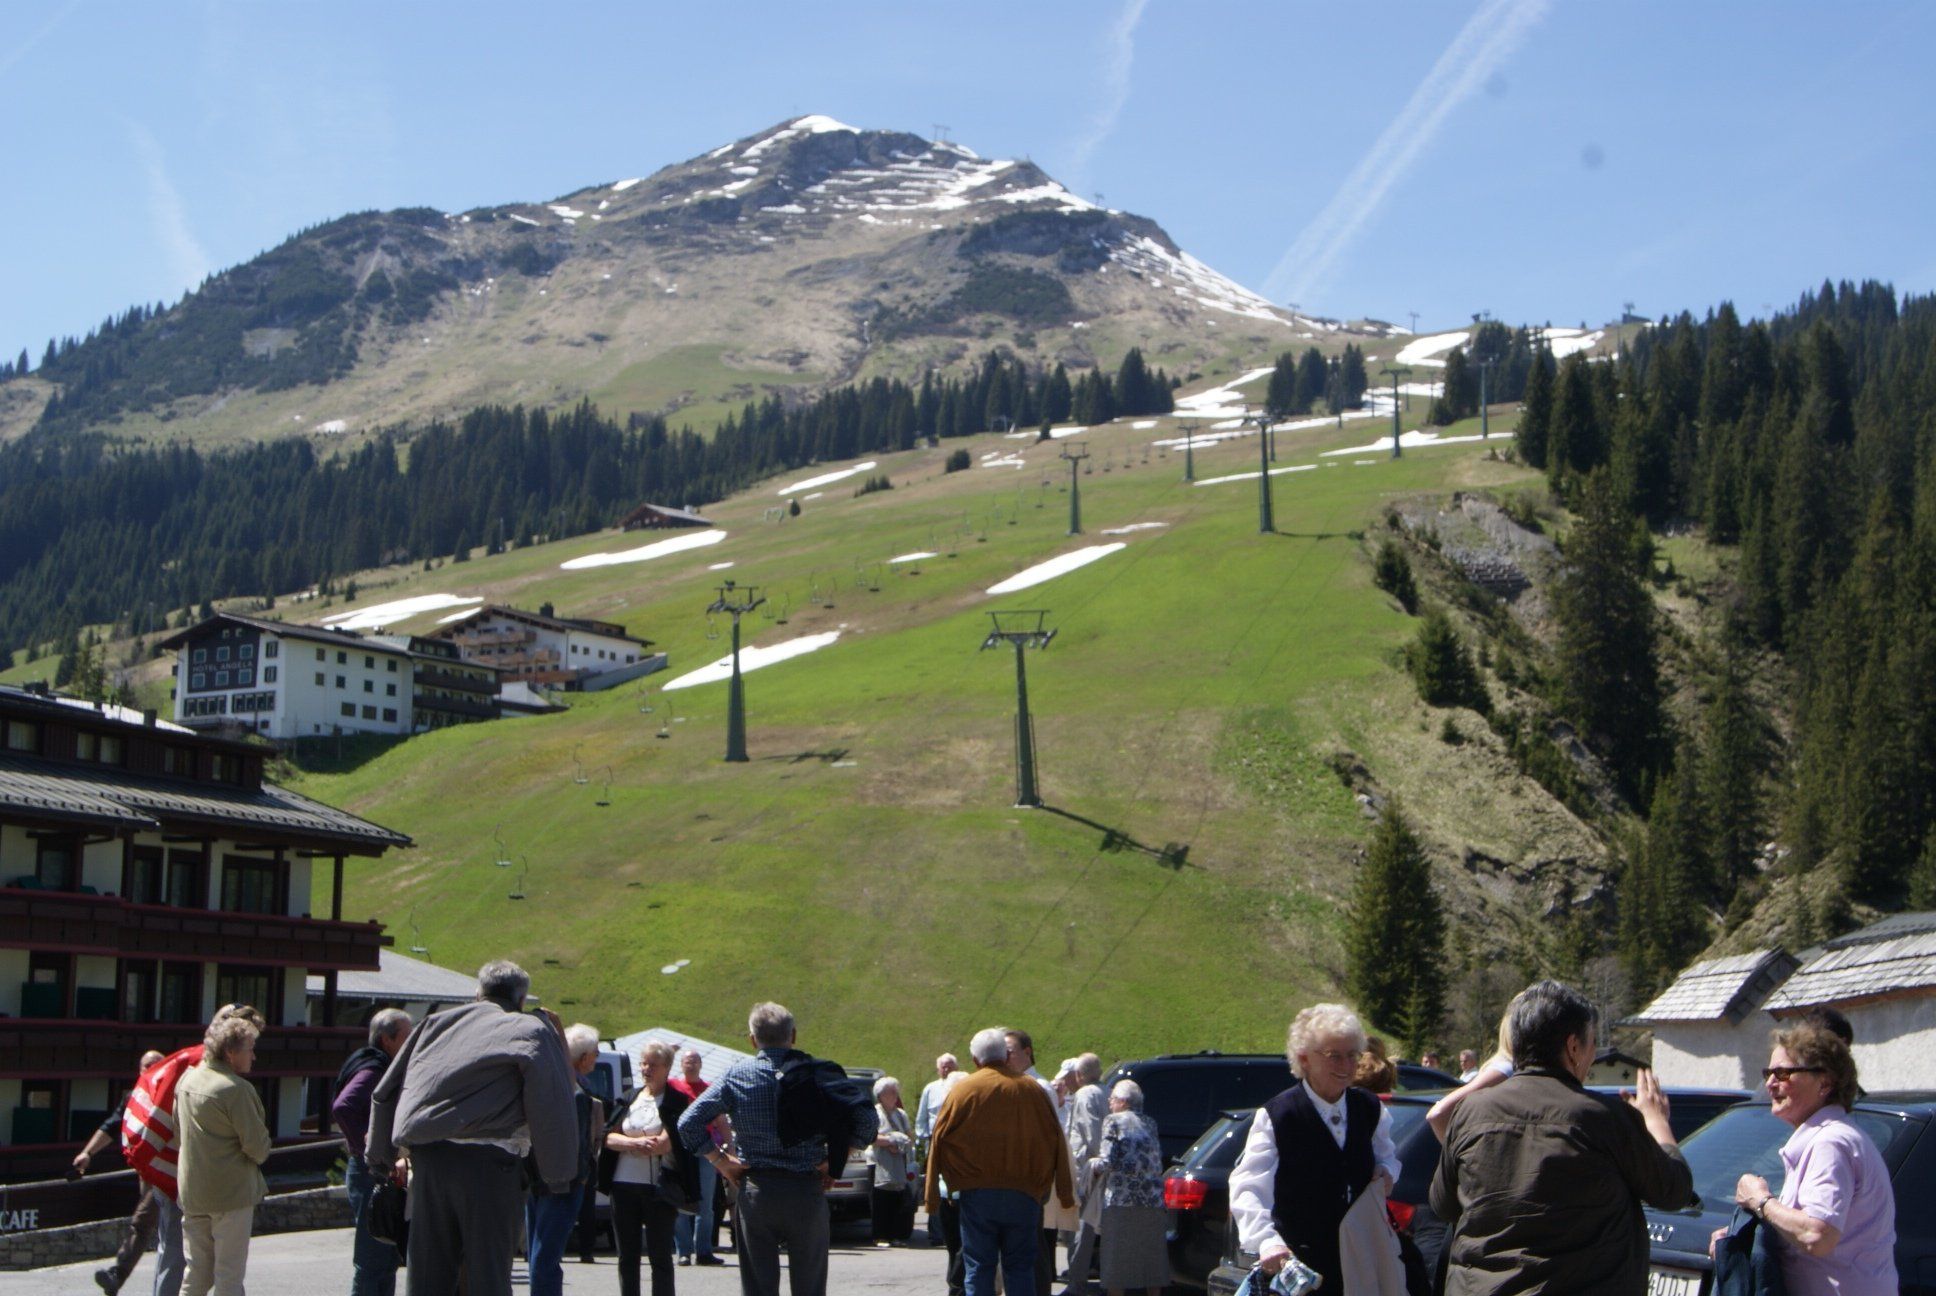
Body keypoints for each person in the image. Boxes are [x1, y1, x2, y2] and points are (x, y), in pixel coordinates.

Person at [1430, 979, 1692, 1295]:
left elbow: (1443, 1204)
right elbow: (1673, 1191)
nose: (1593, 1054)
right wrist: (1656, 1122)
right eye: (1592, 1042)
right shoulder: (1602, 1117)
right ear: (1573, 1047)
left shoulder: (1471, 1111)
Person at [366, 960, 579, 1296]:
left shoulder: (435, 1024)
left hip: (430, 1159)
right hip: (490, 1165)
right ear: (521, 999)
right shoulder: (530, 1029)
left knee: (426, 1278)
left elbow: (387, 1089)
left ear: (478, 994)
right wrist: (558, 1174)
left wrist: (380, 1157)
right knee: (488, 1277)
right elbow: (552, 1099)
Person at [675, 1002, 877, 1296]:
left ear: (752, 1039)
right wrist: (835, 1159)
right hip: (807, 1188)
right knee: (810, 1288)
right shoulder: (817, 1074)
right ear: (792, 1036)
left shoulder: (737, 1075)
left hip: (758, 1190)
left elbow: (687, 1123)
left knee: (758, 1287)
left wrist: (720, 1161)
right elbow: (867, 1121)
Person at [1229, 1003, 1403, 1294]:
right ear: (1304, 1059)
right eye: (1334, 1056)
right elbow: (1248, 1187)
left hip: (1360, 1261)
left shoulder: (1369, 1109)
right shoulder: (1279, 1115)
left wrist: (1386, 1172)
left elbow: (1388, 1158)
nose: (1346, 1066)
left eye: (1352, 1055)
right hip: (1302, 1268)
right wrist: (1267, 1241)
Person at [1714, 1023, 1897, 1296]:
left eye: (1783, 1073)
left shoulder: (1830, 1143)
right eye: (1768, 1073)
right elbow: (1804, 1236)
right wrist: (1740, 1238)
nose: (1770, 1083)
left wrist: (1761, 1201)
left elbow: (1817, 1236)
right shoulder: (1826, 1138)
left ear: (1824, 1083)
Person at [925, 1026, 1075, 1296]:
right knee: (1020, 1267)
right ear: (1005, 1057)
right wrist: (1063, 1192)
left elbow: (939, 1139)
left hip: (977, 1193)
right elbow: (1055, 1140)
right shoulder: (1032, 1090)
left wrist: (935, 1193)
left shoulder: (964, 1090)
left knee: (979, 1267)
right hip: (1025, 1192)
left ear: (975, 1060)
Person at [176, 1012, 272, 1296]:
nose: (253, 1056)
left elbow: (178, 1131)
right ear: (231, 1053)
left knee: (196, 1274)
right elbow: (258, 1148)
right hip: (230, 1195)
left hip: (193, 1191)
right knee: (229, 1276)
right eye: (250, 1049)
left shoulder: (187, 1080)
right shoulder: (236, 1089)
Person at [603, 1040, 694, 1296]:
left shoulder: (677, 1101)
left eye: (653, 1064)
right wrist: (635, 1142)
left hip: (659, 1189)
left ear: (667, 1068)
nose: (646, 1069)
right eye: (643, 1063)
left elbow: (664, 1144)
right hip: (622, 1185)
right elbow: (608, 1138)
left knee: (660, 1257)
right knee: (627, 1256)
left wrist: (632, 1143)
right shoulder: (628, 1098)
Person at [333, 1009, 412, 1296]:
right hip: (370, 1172)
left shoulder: (379, 1064)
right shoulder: (374, 1070)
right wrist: (367, 1147)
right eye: (407, 1035)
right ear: (387, 1040)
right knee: (373, 1261)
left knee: (386, 1259)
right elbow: (343, 1107)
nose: (412, 1040)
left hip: (376, 1170)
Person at [81, 1050, 170, 1296]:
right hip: (147, 1174)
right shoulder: (134, 1098)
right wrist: (88, 1153)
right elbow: (112, 1126)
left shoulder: (175, 1095)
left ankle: (118, 1275)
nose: (151, 1068)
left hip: (170, 1172)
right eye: (146, 1065)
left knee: (144, 1222)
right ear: (139, 1070)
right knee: (155, 1227)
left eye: (157, 1064)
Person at [527, 1022, 604, 1296]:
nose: (597, 1057)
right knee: (547, 1256)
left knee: (539, 1252)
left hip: (538, 1178)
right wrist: (581, 1177)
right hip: (563, 1183)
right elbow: (577, 1142)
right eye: (595, 1053)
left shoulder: (547, 1082)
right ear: (583, 1058)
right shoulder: (575, 1091)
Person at [1090, 1081, 1165, 1296]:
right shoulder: (1150, 1123)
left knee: (1116, 1261)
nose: (1109, 1102)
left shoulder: (1112, 1121)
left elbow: (1107, 1161)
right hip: (1152, 1200)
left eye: (1112, 1098)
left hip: (1121, 1200)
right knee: (1152, 1261)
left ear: (1123, 1102)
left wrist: (1091, 1166)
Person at [1003, 1027, 1063, 1296]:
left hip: (1033, 1175)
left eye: (1010, 1052)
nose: (1005, 1058)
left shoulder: (1039, 1086)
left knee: (1033, 1242)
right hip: (1016, 1175)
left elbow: (1048, 1135)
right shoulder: (1015, 1082)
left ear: (1027, 1052)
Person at [669, 1048, 724, 1267]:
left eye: (694, 1061)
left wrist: (729, 1147)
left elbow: (721, 1120)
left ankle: (704, 1251)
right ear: (681, 1065)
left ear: (701, 1065)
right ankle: (683, 1251)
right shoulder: (673, 1086)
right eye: (686, 1061)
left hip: (704, 1149)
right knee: (680, 1201)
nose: (690, 1064)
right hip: (680, 1151)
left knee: (706, 1204)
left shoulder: (709, 1089)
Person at [1060, 1053, 1110, 1295]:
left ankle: (1076, 1282)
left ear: (1079, 1075)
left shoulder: (1085, 1094)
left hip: (1087, 1170)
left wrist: (1097, 1162)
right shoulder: (1107, 1091)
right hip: (1103, 1167)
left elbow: (1092, 1131)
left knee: (1080, 1227)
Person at [870, 1077, 915, 1246]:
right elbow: (871, 1137)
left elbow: (909, 1136)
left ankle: (896, 1235)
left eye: (896, 1092)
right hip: (878, 1162)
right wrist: (891, 1142)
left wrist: (900, 1144)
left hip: (898, 1162)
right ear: (881, 1095)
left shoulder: (900, 1114)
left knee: (898, 1199)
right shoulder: (875, 1113)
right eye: (891, 1093)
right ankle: (880, 1236)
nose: (895, 1096)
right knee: (881, 1201)